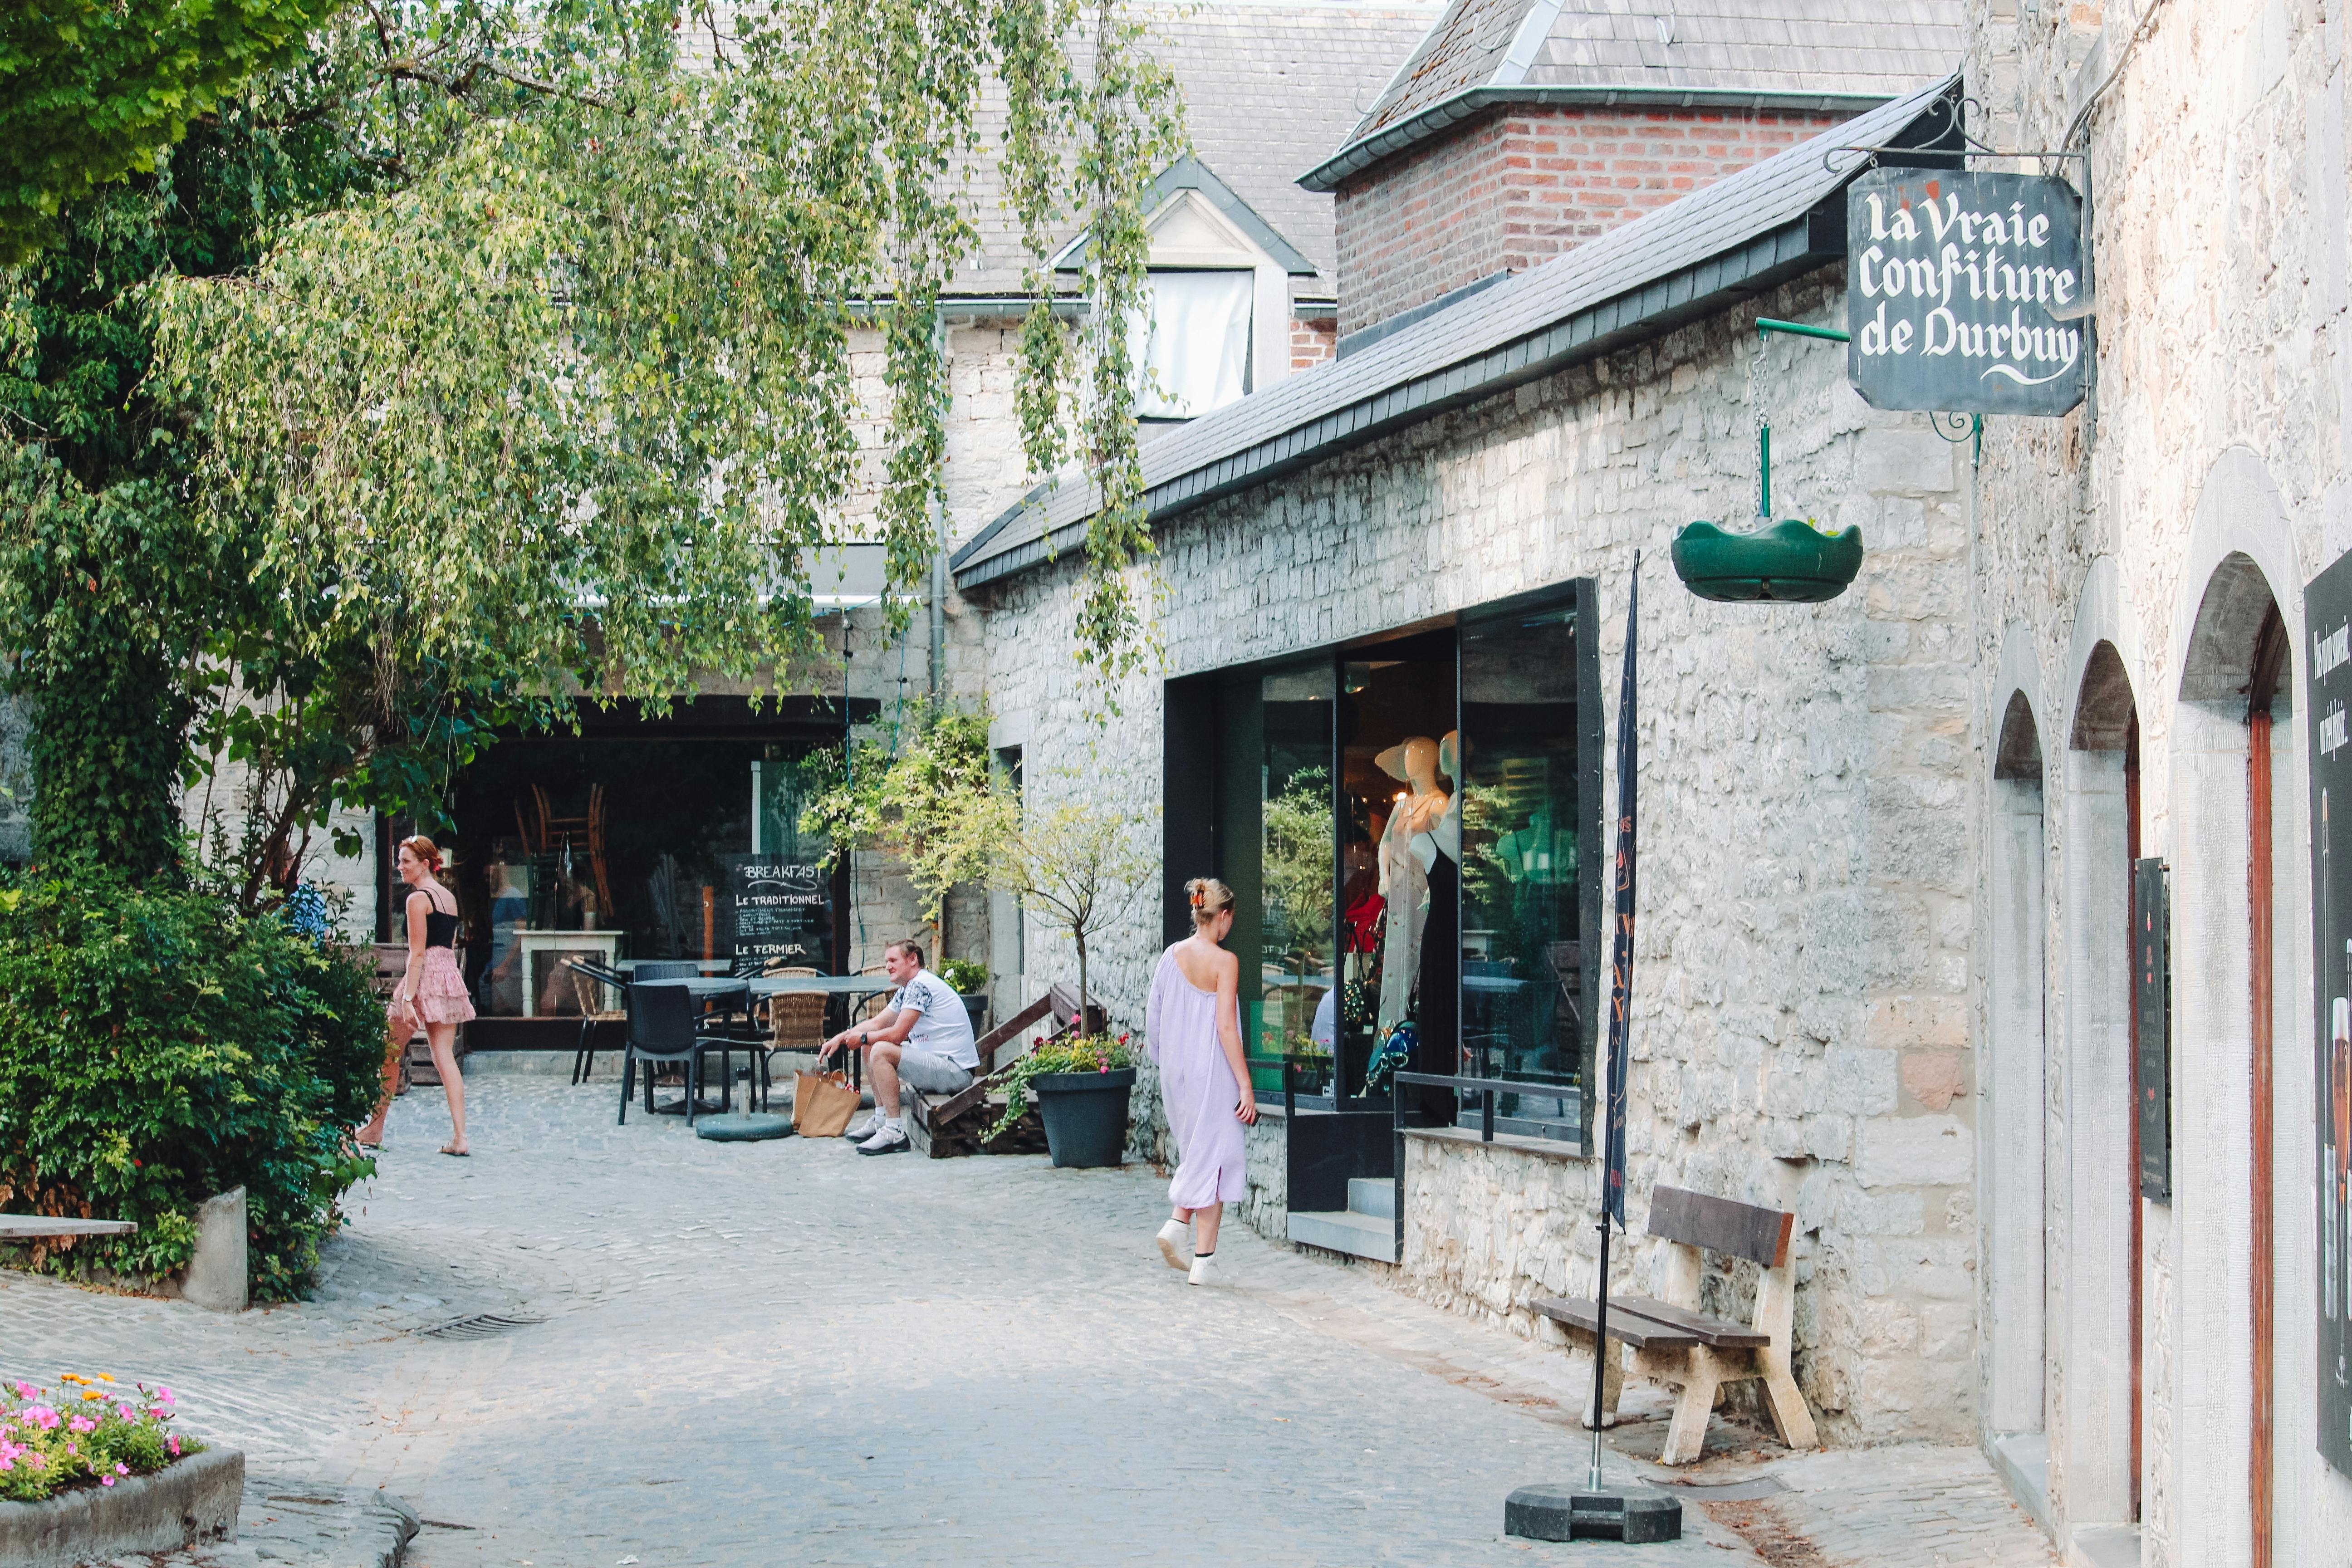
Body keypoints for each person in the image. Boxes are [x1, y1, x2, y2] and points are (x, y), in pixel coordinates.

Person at [1147, 877, 1258, 1286]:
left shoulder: (1170, 956)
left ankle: (1181, 1229)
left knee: (1200, 1154)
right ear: (1223, 917)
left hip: (1177, 1075)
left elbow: (1153, 1020)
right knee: (1216, 1160)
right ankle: (1200, 1260)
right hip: (1214, 1073)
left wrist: (1167, 1065)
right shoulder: (1224, 962)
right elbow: (1227, 1027)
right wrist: (1245, 1085)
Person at [361, 836, 478, 1155]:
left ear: (425, 864)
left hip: (424, 976)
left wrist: (408, 998)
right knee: (444, 1059)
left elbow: (417, 955)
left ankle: (375, 1128)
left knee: (389, 1050)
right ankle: (461, 1137)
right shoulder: (448, 898)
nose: (400, 867)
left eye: (406, 861)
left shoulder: (417, 900)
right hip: (447, 974)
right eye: (399, 861)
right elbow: (447, 946)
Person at [818, 939, 978, 1156]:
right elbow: (877, 1023)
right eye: (887, 961)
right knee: (870, 1045)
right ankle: (882, 1120)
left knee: (880, 1050)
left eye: (893, 960)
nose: (887, 966)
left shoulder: (920, 985)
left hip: (955, 1071)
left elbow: (897, 1034)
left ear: (913, 960)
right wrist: (840, 1037)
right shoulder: (909, 987)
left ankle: (894, 1132)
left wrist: (863, 1038)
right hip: (939, 1064)